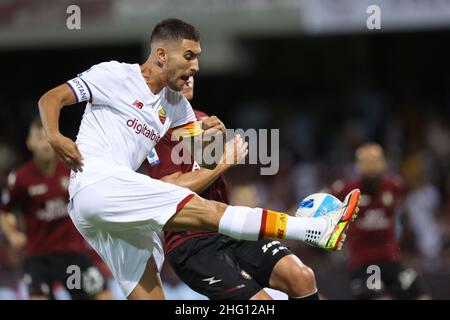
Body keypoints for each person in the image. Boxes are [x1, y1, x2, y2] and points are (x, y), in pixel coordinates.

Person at [37, 18, 360, 300]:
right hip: (97, 182)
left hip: (108, 208)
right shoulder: (114, 74)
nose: (196, 67)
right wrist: (55, 136)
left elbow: (204, 157)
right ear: (161, 55)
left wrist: (213, 137)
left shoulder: (176, 105)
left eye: (198, 58)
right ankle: (313, 229)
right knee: (210, 211)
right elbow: (51, 98)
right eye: (189, 57)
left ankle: (314, 229)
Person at [147, 76, 321, 300]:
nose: (189, 77)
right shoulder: (155, 129)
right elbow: (168, 188)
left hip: (229, 228)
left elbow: (211, 173)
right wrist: (224, 162)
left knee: (302, 277)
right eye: (182, 70)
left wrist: (219, 140)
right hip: (191, 243)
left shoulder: (201, 120)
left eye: (192, 71)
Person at [0, 118, 111, 300]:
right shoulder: (20, 178)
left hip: (73, 256)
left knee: (103, 296)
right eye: (39, 138)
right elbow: (5, 211)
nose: (45, 143)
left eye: (48, 137)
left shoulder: (73, 169)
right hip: (39, 258)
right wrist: (12, 233)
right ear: (30, 143)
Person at [330, 142, 429, 300]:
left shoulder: (393, 185)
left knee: (421, 296)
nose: (371, 166)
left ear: (383, 163)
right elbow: (318, 203)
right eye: (367, 162)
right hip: (363, 265)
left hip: (391, 262)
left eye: (375, 161)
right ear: (358, 165)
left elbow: (415, 189)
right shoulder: (347, 189)